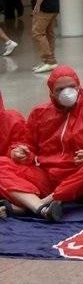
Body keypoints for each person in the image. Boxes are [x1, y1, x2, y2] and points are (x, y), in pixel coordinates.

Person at [0, 66, 83, 222]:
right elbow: (28, 144)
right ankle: (42, 208)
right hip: (48, 177)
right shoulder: (40, 113)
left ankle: (39, 204)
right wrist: (22, 152)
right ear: (51, 93)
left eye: (71, 87)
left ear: (79, 87)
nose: (67, 92)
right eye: (60, 89)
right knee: (2, 163)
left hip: (81, 175)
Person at [0, 88, 26, 219]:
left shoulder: (12, 119)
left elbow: (26, 147)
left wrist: (16, 153)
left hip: (17, 174)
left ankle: (32, 206)